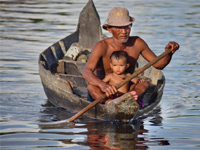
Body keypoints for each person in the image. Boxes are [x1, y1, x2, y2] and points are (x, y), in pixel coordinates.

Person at [82, 7, 179, 103]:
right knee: (91, 87)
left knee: (145, 84)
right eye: (119, 28)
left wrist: (169, 53)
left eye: (126, 27)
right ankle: (108, 103)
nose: (124, 32)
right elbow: (86, 72)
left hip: (127, 90)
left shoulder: (137, 43)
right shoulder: (101, 46)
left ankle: (130, 99)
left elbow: (159, 65)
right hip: (103, 93)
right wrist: (103, 85)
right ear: (109, 29)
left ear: (131, 26)